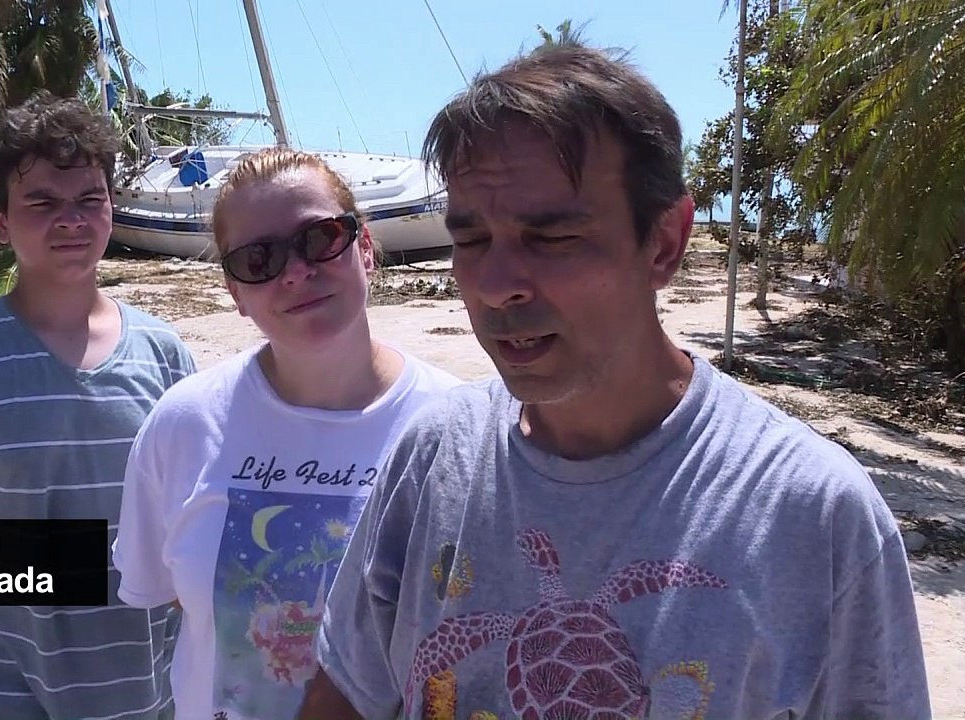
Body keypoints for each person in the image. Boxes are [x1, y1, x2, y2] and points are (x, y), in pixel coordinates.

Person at [299, 44, 932, 719]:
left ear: (663, 242)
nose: (496, 285)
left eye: (552, 238)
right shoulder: (431, 457)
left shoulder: (812, 513)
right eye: (472, 239)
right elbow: (345, 692)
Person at [110, 146, 461, 720]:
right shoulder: (184, 425)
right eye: (258, 259)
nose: (296, 271)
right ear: (234, 293)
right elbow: (183, 607)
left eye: (320, 239)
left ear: (365, 248)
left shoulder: (454, 426)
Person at [0, 91, 195, 720]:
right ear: (1, 221)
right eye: (42, 203)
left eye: (89, 200)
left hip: (152, 694)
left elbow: (186, 532)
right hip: (11, 695)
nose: (71, 220)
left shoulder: (165, 355)